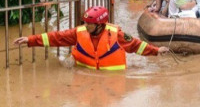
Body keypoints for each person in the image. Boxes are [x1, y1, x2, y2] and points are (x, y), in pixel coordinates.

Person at [13, 6, 169, 70]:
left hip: (112, 79)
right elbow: (56, 37)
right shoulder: (79, 32)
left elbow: (136, 46)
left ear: (100, 25)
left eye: (90, 24)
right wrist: (30, 40)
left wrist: (156, 51)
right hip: (83, 71)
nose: (86, 26)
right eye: (85, 23)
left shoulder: (117, 35)